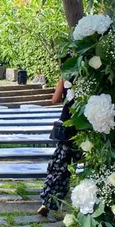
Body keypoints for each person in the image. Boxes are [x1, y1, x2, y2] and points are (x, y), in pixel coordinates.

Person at [38, 67, 79, 217]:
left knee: (60, 165)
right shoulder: (92, 72)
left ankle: (49, 201)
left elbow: (55, 99)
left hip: (68, 120)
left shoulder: (66, 74)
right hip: (87, 120)